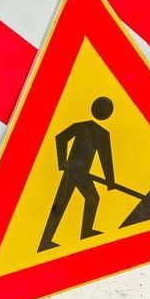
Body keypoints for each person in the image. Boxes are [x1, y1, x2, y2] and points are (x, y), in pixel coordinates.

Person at [38, 96, 116, 252]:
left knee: (66, 202)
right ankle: (81, 232)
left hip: (76, 172)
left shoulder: (88, 128)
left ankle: (48, 241)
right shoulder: (98, 132)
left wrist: (64, 163)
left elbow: (105, 159)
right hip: (76, 172)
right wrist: (109, 182)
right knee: (88, 199)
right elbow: (60, 138)